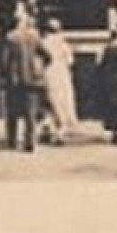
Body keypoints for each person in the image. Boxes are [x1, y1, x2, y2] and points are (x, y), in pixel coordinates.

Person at [0, 8, 50, 153]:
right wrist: (40, 67)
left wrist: (4, 74)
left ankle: (12, 141)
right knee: (30, 113)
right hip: (33, 79)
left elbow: (4, 60)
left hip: (14, 80)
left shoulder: (10, 37)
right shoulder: (35, 36)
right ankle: (29, 143)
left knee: (12, 112)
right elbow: (47, 55)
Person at [40, 16, 79, 144]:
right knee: (62, 101)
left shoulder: (43, 42)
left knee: (48, 101)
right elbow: (70, 61)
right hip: (61, 73)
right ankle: (59, 130)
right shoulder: (63, 44)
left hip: (47, 73)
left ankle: (48, 128)